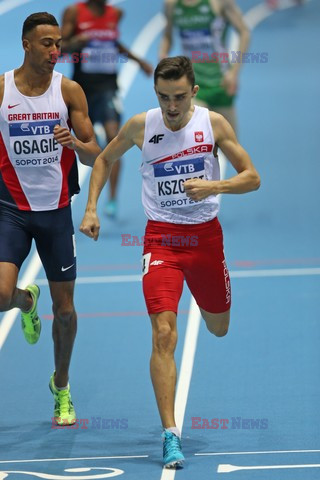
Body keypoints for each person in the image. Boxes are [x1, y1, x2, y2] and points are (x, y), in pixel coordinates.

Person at [80, 56, 260, 468]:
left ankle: (208, 298)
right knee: (164, 333)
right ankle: (170, 433)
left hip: (205, 240)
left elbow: (252, 176)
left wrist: (214, 185)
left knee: (218, 328)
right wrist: (91, 208)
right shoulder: (142, 126)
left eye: (179, 97)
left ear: (193, 92)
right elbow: (105, 158)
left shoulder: (213, 125)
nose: (171, 107)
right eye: (163, 97)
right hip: (161, 240)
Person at [0, 12, 101, 426]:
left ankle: (61, 385)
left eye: (58, 43)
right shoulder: (2, 89)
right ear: (26, 44)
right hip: (10, 210)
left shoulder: (70, 91)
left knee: (65, 312)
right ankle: (25, 300)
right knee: (0, 296)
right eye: (46, 43)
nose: (55, 51)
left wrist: (75, 143)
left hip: (57, 211)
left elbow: (97, 154)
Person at [60, 0, 153, 217]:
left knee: (115, 139)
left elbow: (113, 43)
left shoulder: (116, 13)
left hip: (108, 87)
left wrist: (138, 61)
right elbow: (60, 48)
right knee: (80, 142)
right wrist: (77, 42)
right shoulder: (74, 12)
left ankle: (111, 199)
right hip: (82, 90)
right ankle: (67, 193)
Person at [159, 0, 250, 130]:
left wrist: (234, 73)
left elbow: (244, 32)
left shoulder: (219, 2)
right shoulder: (171, 4)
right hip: (192, 81)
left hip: (220, 81)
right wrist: (163, 55)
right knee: (194, 138)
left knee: (229, 143)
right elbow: (167, 35)